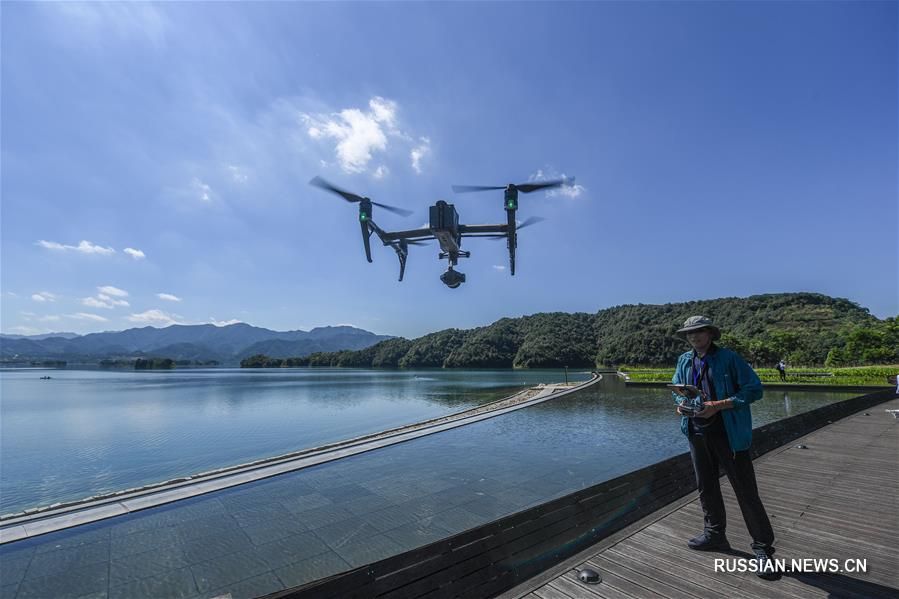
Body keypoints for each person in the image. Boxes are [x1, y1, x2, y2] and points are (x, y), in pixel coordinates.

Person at [671, 315, 779, 580]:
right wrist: (681, 403)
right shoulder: (685, 360)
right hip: (696, 432)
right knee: (705, 485)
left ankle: (763, 548)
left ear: (710, 333)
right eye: (689, 334)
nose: (694, 337)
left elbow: (754, 390)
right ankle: (714, 534)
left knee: (745, 490)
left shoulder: (729, 358)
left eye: (699, 332)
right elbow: (676, 390)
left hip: (728, 434)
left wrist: (718, 406)